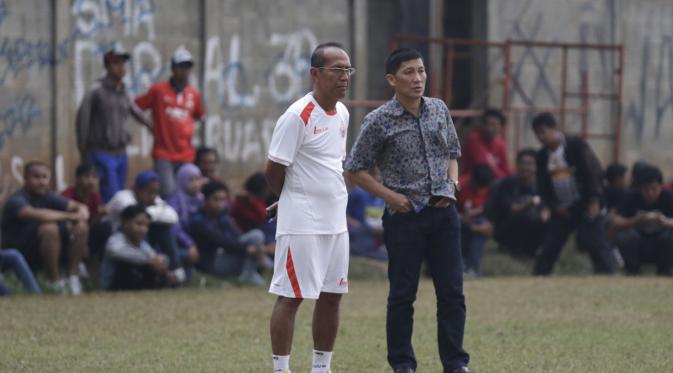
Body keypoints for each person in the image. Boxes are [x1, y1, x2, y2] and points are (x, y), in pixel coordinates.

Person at [345, 48, 470, 373]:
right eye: (409, 73)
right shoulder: (378, 121)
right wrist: (390, 197)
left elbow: (452, 153)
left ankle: (455, 363)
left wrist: (452, 186)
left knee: (452, 293)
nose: (417, 79)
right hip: (404, 218)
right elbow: (355, 169)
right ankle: (403, 364)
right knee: (403, 295)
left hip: (443, 214)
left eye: (421, 71)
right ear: (392, 80)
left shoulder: (439, 110)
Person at [266, 42, 352, 373]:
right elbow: (274, 170)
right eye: (337, 70)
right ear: (315, 74)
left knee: (332, 295)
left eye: (348, 70)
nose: (344, 77)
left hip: (336, 223)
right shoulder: (296, 116)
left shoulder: (342, 113)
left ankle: (321, 367)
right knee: (292, 296)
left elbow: (329, 165)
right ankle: (281, 368)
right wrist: (287, 199)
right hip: (302, 223)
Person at [531, 112, 616, 275]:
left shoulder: (576, 146)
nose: (541, 137)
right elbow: (543, 186)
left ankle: (607, 275)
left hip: (584, 203)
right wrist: (554, 206)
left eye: (543, 131)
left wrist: (594, 201)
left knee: (595, 241)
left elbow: (593, 173)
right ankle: (539, 277)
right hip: (562, 208)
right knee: (551, 245)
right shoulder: (542, 156)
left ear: (554, 129)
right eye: (537, 134)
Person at [76, 43, 151, 202]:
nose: (121, 68)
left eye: (123, 64)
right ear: (108, 66)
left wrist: (152, 127)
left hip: (120, 152)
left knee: (119, 191)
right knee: (110, 194)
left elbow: (134, 110)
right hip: (101, 151)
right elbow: (82, 119)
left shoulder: (123, 91)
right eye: (116, 64)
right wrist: (83, 149)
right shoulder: (96, 90)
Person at [1, 162, 89, 294]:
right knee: (49, 228)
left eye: (44, 177)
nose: (41, 181)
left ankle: (73, 277)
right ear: (25, 179)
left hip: (50, 247)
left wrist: (81, 213)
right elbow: (37, 214)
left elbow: (80, 208)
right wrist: (70, 216)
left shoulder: (48, 196)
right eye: (36, 177)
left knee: (81, 227)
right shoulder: (17, 199)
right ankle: (55, 282)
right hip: (21, 250)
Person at [135, 47, 206, 197]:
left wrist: (184, 127)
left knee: (189, 191)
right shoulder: (159, 90)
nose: (185, 71)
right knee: (169, 192)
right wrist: (149, 125)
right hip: (164, 153)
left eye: (188, 67)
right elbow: (135, 106)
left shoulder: (193, 94)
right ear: (173, 69)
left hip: (186, 154)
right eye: (181, 67)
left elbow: (200, 115)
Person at [106, 170, 186, 284]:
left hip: (136, 239)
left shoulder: (143, 243)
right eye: (149, 191)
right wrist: (149, 260)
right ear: (136, 189)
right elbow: (132, 213)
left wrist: (159, 261)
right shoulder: (122, 197)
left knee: (164, 229)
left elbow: (173, 217)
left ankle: (175, 269)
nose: (153, 196)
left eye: (156, 192)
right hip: (114, 234)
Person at [188, 182, 270, 285]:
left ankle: (249, 274)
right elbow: (221, 241)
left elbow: (237, 237)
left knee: (257, 237)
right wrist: (246, 249)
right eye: (216, 199)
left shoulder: (223, 218)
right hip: (212, 262)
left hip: (227, 254)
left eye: (223, 200)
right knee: (255, 242)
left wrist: (254, 249)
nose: (220, 204)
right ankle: (248, 275)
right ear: (205, 200)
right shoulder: (199, 221)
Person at [484, 149, 550, 258]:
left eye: (529, 164)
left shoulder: (541, 186)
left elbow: (546, 206)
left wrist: (546, 212)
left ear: (536, 167)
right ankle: (512, 249)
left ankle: (532, 251)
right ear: (517, 165)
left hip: (533, 228)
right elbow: (513, 208)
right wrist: (531, 203)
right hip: (507, 227)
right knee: (527, 215)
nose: (525, 167)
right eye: (522, 163)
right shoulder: (507, 184)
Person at [611, 164, 673, 275]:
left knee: (669, 236)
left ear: (660, 186)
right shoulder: (631, 197)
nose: (650, 193)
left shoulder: (668, 197)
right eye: (646, 189)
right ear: (640, 188)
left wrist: (665, 222)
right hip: (638, 243)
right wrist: (635, 221)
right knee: (625, 236)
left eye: (654, 189)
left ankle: (665, 271)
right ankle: (633, 271)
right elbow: (615, 221)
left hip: (662, 244)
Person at [101, 205, 171, 290]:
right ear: (125, 223)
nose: (143, 229)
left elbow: (153, 257)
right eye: (139, 224)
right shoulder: (114, 240)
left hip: (135, 285)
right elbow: (120, 252)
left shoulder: (143, 244)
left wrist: (161, 262)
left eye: (146, 225)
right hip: (113, 287)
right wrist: (149, 261)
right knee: (126, 265)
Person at [457, 164, 494, 277]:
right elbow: (447, 209)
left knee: (481, 227)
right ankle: (460, 266)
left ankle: (472, 268)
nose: (478, 189)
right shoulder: (459, 185)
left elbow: (490, 215)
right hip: (458, 222)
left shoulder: (489, 189)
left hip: (476, 225)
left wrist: (486, 226)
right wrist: (461, 219)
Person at [166, 164, 203, 268]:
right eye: (191, 180)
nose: (195, 184)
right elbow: (174, 228)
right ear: (182, 180)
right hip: (178, 244)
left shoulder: (201, 199)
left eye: (198, 179)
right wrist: (190, 243)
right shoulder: (174, 201)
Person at [460, 108, 511, 180]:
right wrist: (504, 179)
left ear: (500, 127)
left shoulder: (500, 144)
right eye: (487, 124)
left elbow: (506, 168)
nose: (489, 128)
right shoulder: (474, 139)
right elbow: (484, 167)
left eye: (494, 125)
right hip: (474, 183)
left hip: (495, 183)